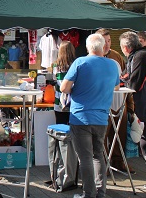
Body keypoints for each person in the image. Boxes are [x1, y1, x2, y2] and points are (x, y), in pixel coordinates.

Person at [60, 33, 120, 198]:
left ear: (87, 47)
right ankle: (100, 192)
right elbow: (115, 87)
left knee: (85, 157)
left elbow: (64, 88)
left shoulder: (80, 62)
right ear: (102, 47)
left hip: (81, 116)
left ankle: (88, 193)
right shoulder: (113, 65)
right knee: (98, 155)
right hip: (101, 118)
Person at [120, 31, 146, 191]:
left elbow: (134, 83)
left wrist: (120, 82)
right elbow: (128, 76)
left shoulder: (141, 57)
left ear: (126, 47)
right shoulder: (141, 55)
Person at [95, 28, 132, 173]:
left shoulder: (116, 56)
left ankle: (118, 162)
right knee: (102, 135)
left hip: (119, 101)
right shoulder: (93, 57)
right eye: (104, 41)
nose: (107, 44)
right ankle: (101, 166)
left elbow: (125, 79)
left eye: (109, 41)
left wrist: (130, 106)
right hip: (101, 103)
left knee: (119, 136)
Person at [53, 41, 76, 124]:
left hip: (59, 100)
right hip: (73, 100)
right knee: (73, 128)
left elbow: (55, 79)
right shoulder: (76, 64)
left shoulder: (56, 65)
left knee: (60, 127)